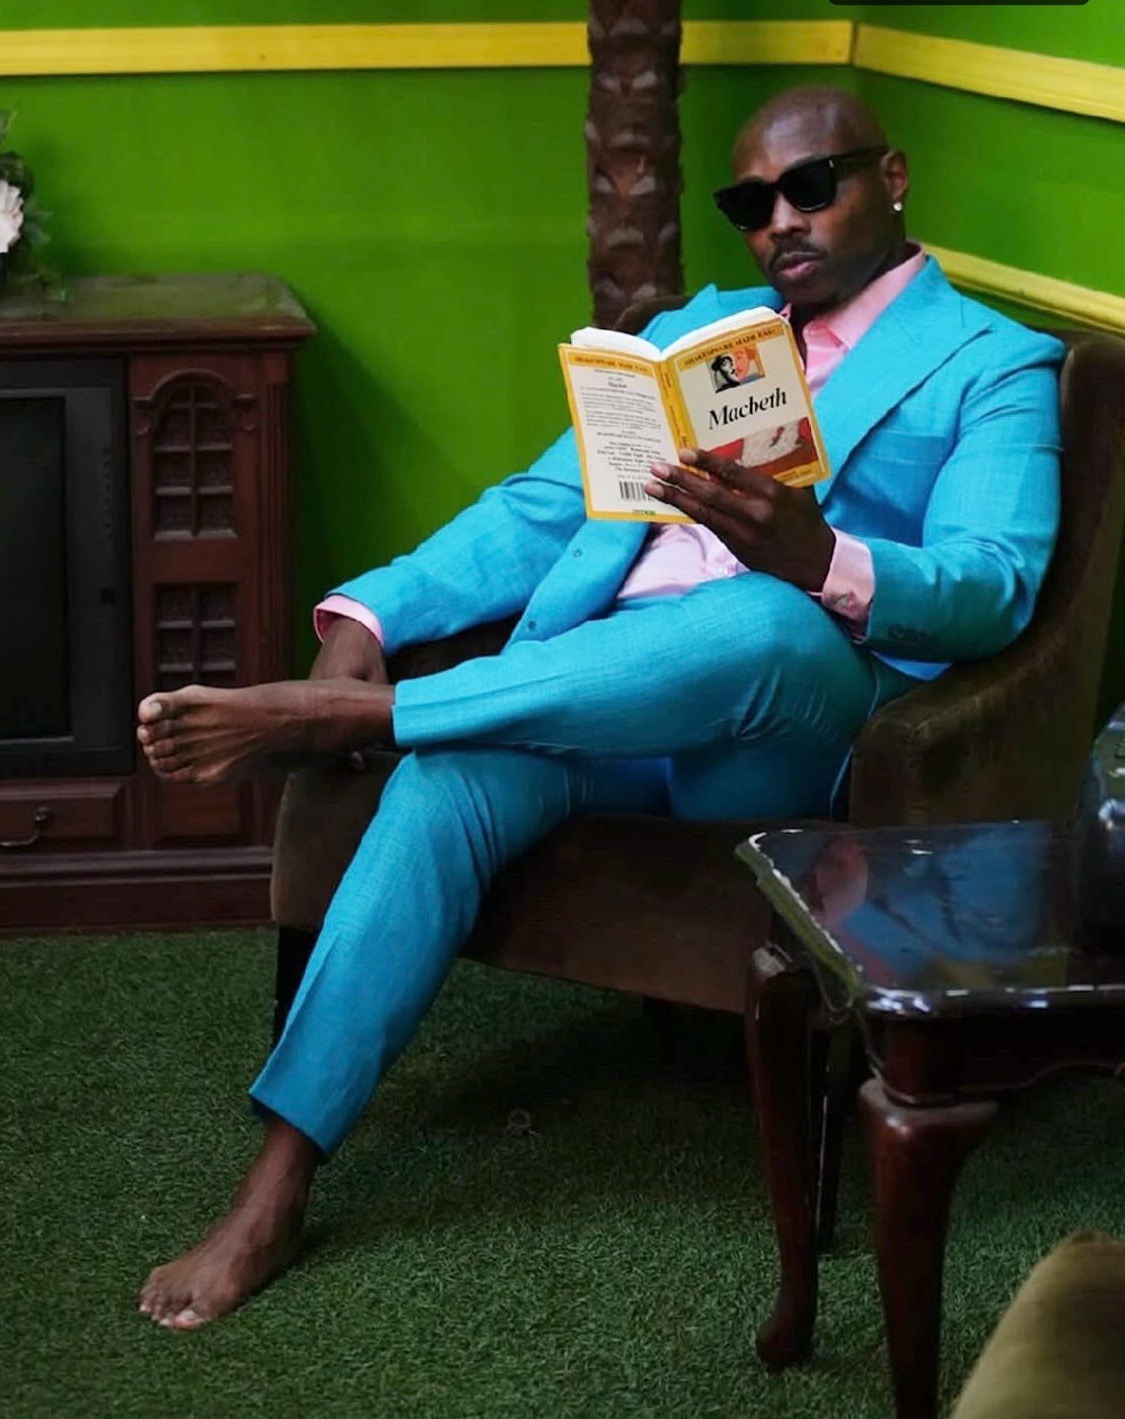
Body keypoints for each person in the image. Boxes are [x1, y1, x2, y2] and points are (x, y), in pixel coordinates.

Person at [136, 84, 1064, 1330]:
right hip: (600, 691)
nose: (780, 221)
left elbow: (995, 587)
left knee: (762, 619)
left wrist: (823, 557)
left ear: (891, 178)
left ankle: (363, 719)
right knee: (453, 775)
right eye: (751, 204)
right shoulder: (704, 337)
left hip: (783, 719)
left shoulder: (995, 364)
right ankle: (276, 1187)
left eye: (811, 186)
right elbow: (538, 509)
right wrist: (366, 619)